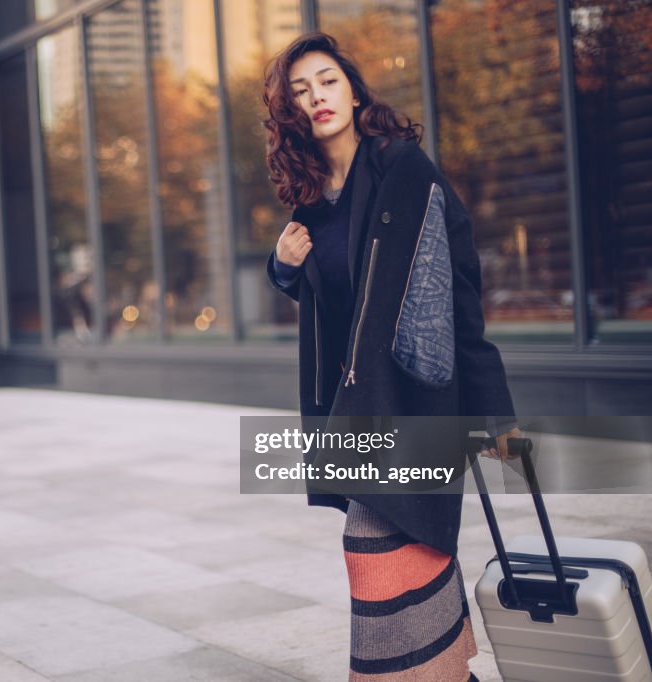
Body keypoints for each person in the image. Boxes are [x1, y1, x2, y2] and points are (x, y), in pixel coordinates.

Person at [263, 32, 521, 682]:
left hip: (413, 402)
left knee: (376, 552)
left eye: (325, 80)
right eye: (299, 91)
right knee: (403, 562)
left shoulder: (404, 170)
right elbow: (326, 299)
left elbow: (458, 289)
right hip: (354, 414)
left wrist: (494, 412)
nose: (316, 97)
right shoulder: (311, 199)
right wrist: (282, 266)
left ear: (352, 89)